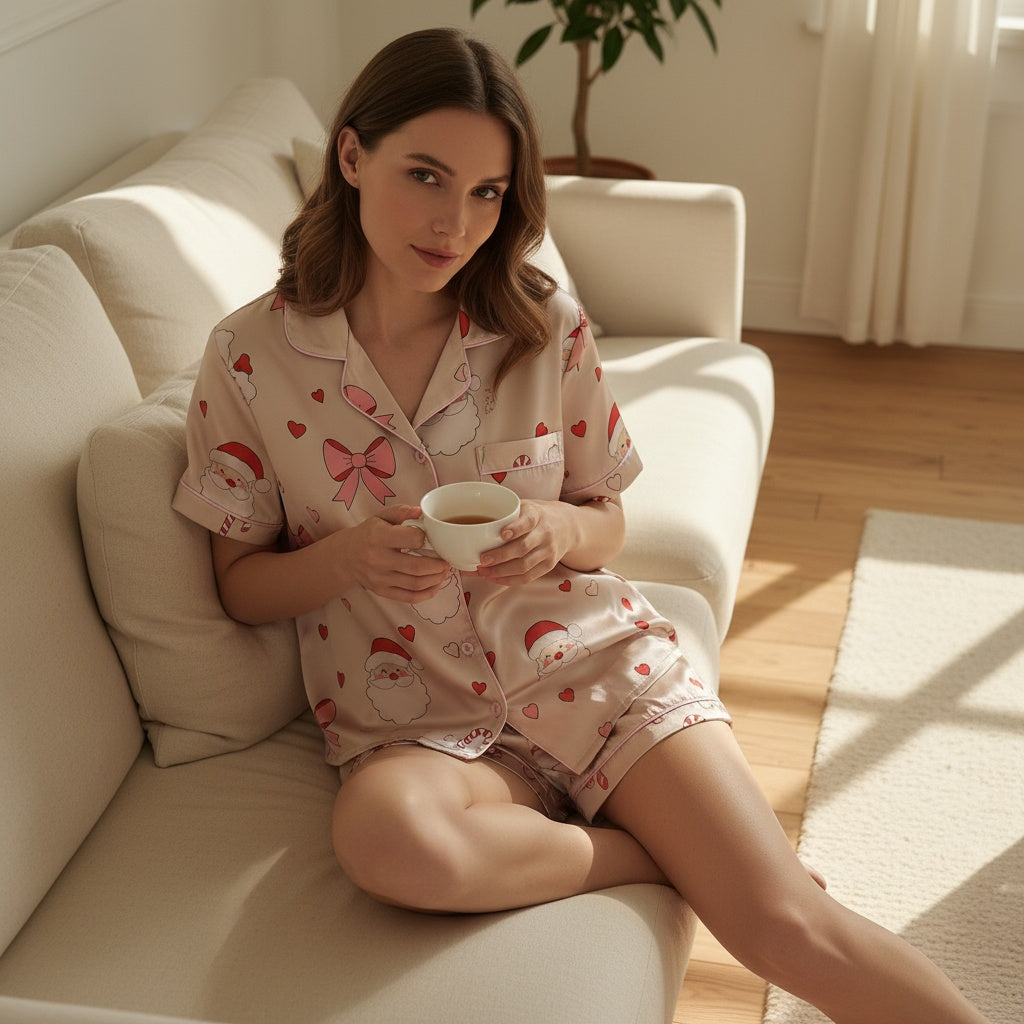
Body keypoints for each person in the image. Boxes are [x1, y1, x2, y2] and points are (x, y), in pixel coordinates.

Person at [172, 27, 991, 1024]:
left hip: (588, 665)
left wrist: (557, 531)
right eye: (425, 175)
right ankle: (664, 855)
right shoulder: (252, 358)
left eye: (485, 193)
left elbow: (606, 519)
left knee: (783, 926)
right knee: (387, 844)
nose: (454, 222)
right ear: (351, 155)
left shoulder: (538, 325)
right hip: (410, 714)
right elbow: (239, 583)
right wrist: (347, 557)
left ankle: (725, 869)